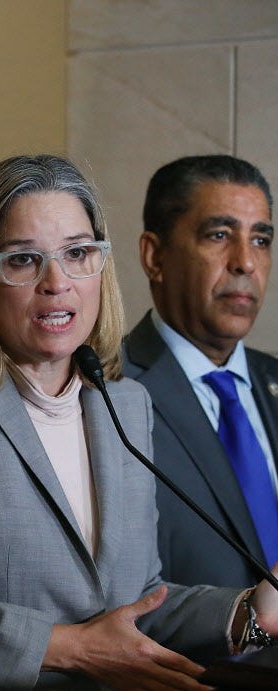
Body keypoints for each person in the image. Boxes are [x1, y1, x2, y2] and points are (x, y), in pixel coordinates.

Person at [0, 154, 278, 691]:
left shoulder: (124, 403)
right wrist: (70, 647)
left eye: (78, 253)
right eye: (22, 260)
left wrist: (252, 611)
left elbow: (138, 599)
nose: (57, 283)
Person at [123, 155, 278, 588]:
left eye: (261, 239)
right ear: (154, 256)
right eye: (219, 235)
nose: (245, 262)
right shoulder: (106, 393)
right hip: (188, 655)